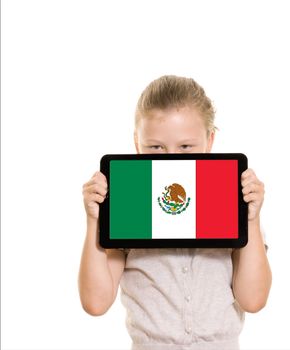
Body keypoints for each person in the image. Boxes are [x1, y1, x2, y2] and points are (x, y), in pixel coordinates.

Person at [79, 75, 272, 350]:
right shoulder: (128, 204)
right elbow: (95, 303)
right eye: (155, 147)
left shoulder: (230, 201)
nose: (171, 158)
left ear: (209, 140)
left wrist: (251, 219)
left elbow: (253, 299)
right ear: (137, 144)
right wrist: (93, 221)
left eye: (186, 147)